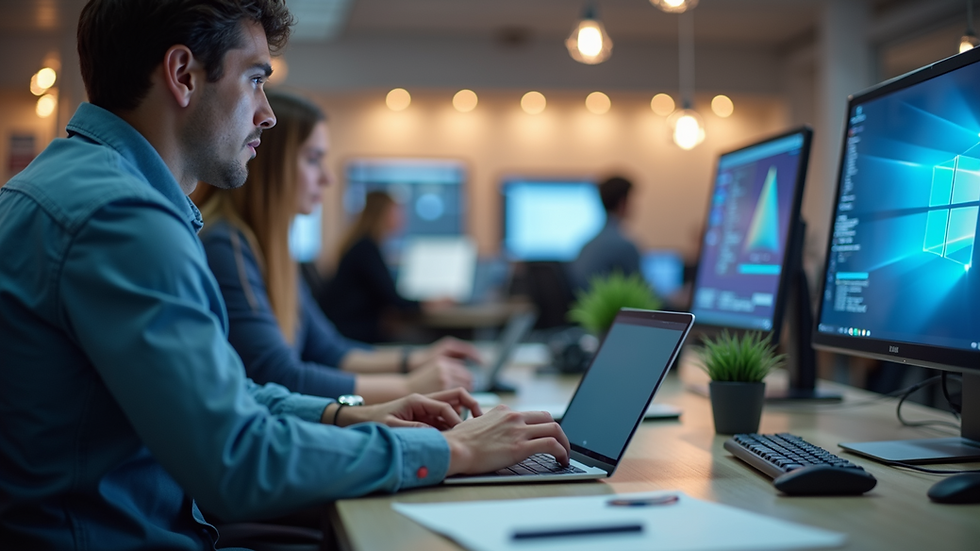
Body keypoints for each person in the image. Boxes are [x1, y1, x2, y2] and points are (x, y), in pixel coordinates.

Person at [0, 1, 569, 549]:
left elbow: (227, 396)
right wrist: (457, 453)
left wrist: (351, 415)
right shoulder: (122, 219)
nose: (266, 112)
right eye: (254, 79)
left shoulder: (74, 187)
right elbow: (238, 461)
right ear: (183, 74)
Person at [192, 90, 474, 403]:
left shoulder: (269, 250)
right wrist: (408, 388)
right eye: (313, 159)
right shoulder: (226, 245)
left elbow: (329, 350)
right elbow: (277, 375)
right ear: (268, 164)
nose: (327, 178)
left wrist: (415, 363)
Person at [321, 191, 450, 343]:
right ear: (383, 214)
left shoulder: (365, 245)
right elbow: (394, 300)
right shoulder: (366, 249)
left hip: (353, 329)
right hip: (353, 334)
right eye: (396, 212)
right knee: (428, 340)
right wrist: (429, 303)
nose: (402, 218)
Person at [569, 175, 643, 291]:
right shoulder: (624, 246)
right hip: (611, 309)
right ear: (622, 203)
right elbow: (643, 291)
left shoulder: (586, 246)